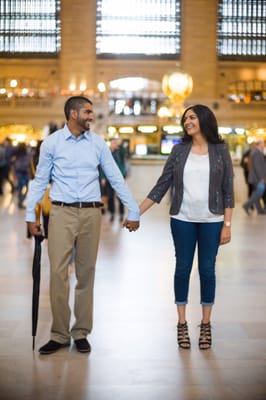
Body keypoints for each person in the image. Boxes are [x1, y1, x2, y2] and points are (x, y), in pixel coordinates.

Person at [26, 96, 139, 355]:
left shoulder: (98, 144)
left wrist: (133, 209)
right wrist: (30, 216)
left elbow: (115, 177)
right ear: (73, 114)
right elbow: (40, 179)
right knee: (57, 273)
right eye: (87, 112)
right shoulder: (52, 143)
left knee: (86, 274)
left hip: (91, 213)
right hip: (61, 212)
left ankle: (81, 332)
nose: (91, 116)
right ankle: (59, 334)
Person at [138, 104, 234, 350]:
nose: (187, 121)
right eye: (185, 118)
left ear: (204, 119)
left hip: (212, 220)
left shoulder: (220, 150)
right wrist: (135, 212)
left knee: (207, 271)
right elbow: (162, 184)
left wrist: (227, 224)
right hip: (182, 218)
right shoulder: (179, 151)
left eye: (192, 117)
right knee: (182, 269)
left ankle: (205, 324)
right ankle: (181, 323)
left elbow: (228, 191)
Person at [101, 138, 128, 222]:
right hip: (109, 178)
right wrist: (103, 178)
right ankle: (112, 213)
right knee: (110, 197)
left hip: (118, 178)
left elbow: (124, 152)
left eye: (115, 143)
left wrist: (119, 145)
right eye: (112, 143)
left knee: (120, 197)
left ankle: (121, 214)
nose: (113, 145)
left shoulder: (120, 152)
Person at [242, 138, 266, 215]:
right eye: (263, 143)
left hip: (256, 178)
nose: (264, 145)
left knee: (256, 193)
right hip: (257, 178)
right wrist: (262, 178)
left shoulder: (256, 152)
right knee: (258, 193)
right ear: (259, 144)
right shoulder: (256, 153)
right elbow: (257, 167)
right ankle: (246, 205)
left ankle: (260, 210)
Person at [13, 142, 30, 209]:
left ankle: (20, 201)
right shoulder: (25, 155)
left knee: (21, 188)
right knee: (24, 188)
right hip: (23, 173)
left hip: (21, 173)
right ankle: (20, 202)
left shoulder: (17, 155)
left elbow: (14, 165)